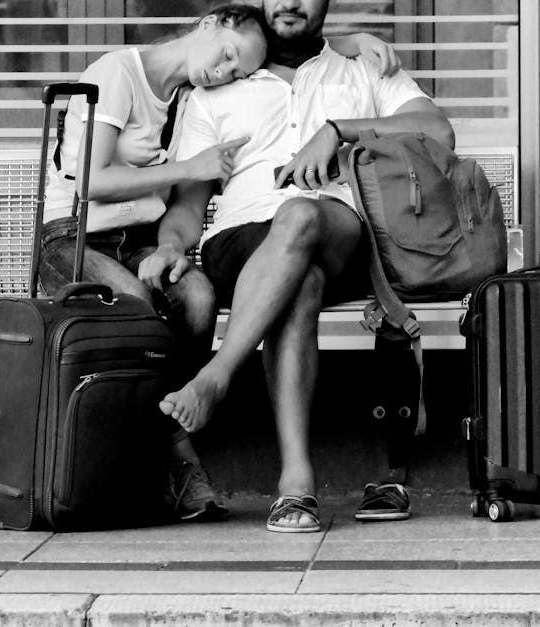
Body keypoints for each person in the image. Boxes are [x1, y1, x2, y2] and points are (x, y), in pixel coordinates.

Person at [38, 3, 403, 522]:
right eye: (228, 57)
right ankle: (218, 464)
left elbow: (294, 41)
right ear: (211, 23)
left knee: (214, 283)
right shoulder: (132, 76)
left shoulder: (187, 89)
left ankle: (215, 379)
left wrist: (350, 52)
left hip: (167, 238)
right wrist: (176, 228)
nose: (226, 71)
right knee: (279, 283)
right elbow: (112, 185)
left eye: (237, 69)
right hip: (80, 237)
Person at [138, 0, 455, 533]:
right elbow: (190, 202)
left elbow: (437, 132)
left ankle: (217, 376)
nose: (288, 2)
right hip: (239, 242)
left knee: (300, 213)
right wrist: (171, 244)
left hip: (340, 235)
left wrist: (338, 129)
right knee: (300, 280)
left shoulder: (361, 69)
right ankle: (295, 484)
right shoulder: (216, 86)